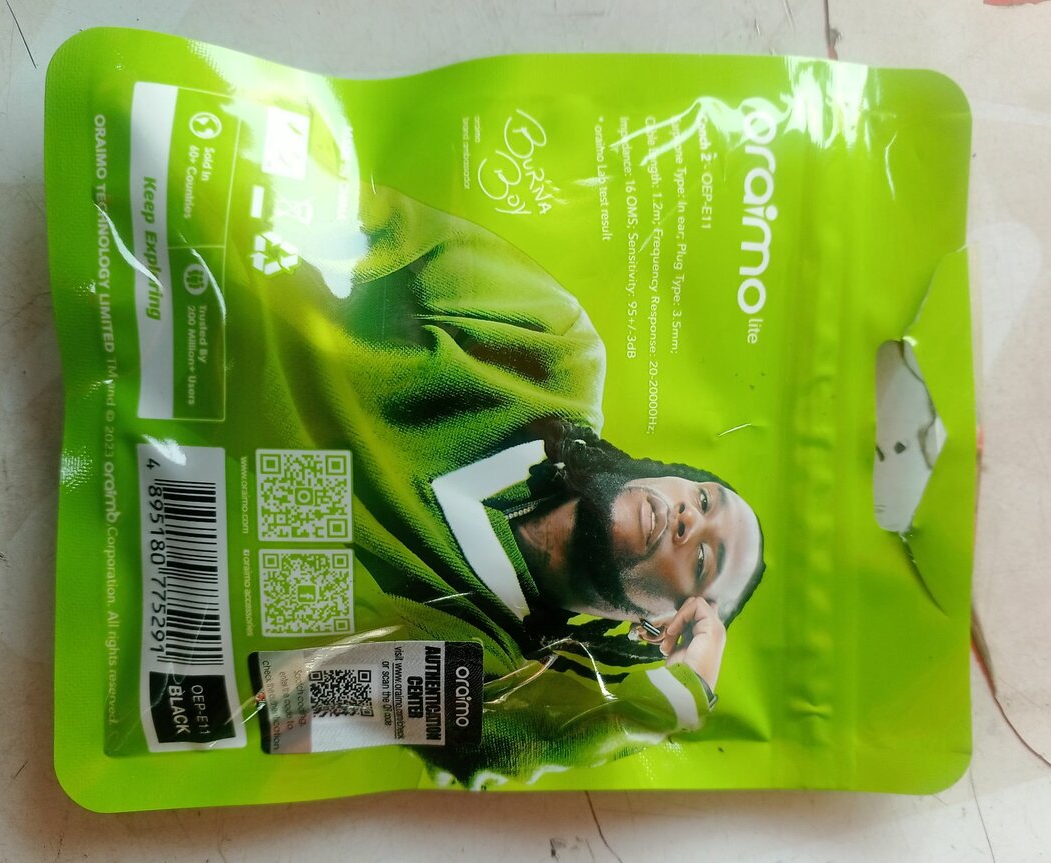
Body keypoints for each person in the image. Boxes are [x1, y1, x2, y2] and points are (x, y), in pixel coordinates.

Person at [251, 182, 765, 786]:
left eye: (702, 559)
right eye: (702, 499)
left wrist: (676, 697)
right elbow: (370, 223)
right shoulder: (559, 354)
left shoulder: (494, 671)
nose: (688, 520)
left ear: (658, 628)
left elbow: (294, 702)